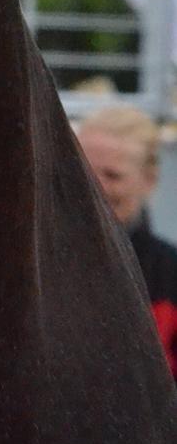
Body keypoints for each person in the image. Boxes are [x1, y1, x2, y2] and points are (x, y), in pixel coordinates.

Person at [76, 105, 177, 380]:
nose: (94, 187)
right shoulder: (28, 266)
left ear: (149, 180)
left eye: (112, 175)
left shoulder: (169, 277)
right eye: (83, 170)